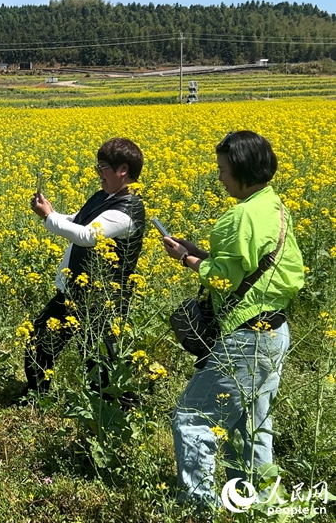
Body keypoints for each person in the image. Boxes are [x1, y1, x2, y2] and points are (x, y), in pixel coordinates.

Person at [162, 131, 304, 507]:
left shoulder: (239, 217)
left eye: (223, 170)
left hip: (245, 338)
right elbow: (248, 266)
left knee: (193, 418)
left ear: (241, 170)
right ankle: (256, 505)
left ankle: (198, 508)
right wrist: (198, 252)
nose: (219, 177)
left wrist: (186, 259)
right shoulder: (273, 207)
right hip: (275, 330)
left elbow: (223, 277)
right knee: (251, 427)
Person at [25, 138, 146, 401]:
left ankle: (115, 410)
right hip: (77, 289)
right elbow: (79, 220)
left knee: (99, 359)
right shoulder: (106, 197)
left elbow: (87, 235)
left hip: (100, 298)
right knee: (40, 338)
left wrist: (48, 218)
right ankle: (36, 395)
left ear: (122, 170)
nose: (97, 173)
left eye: (102, 167)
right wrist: (53, 213)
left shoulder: (126, 211)